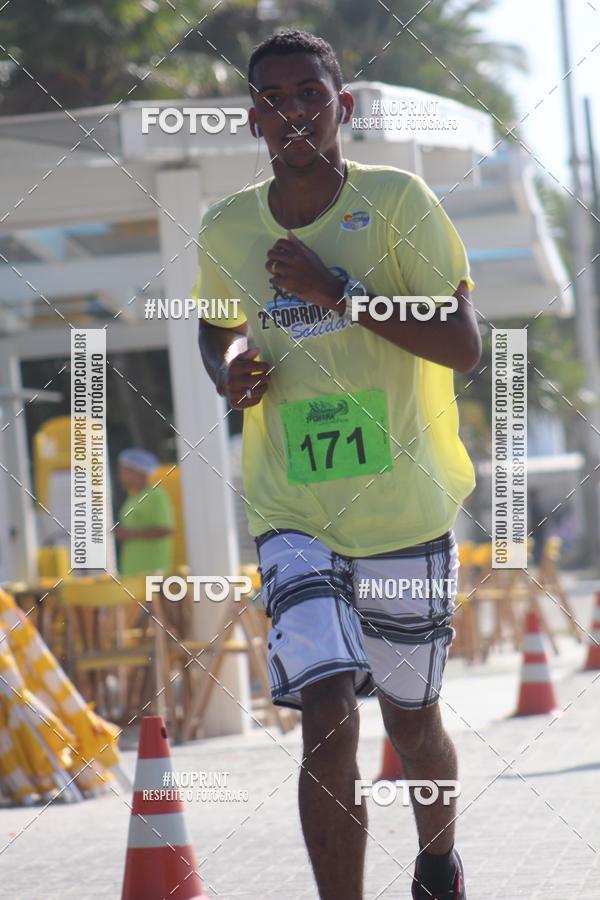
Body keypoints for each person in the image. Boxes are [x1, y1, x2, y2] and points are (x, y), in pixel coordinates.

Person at [196, 30, 481, 900]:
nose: (293, 112)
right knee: (326, 719)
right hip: (294, 511)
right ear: (253, 117)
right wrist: (229, 370)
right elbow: (216, 326)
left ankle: (437, 860)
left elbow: (462, 344)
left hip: (404, 506)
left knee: (413, 719)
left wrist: (341, 295)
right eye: (274, 98)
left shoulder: (400, 202)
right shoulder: (227, 225)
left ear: (341, 106)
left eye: (309, 94)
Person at [115, 447, 174, 577]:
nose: (120, 475)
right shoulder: (132, 498)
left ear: (138, 471)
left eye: (124, 470)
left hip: (152, 571)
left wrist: (129, 534)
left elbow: (165, 529)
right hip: (131, 572)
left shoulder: (156, 495)